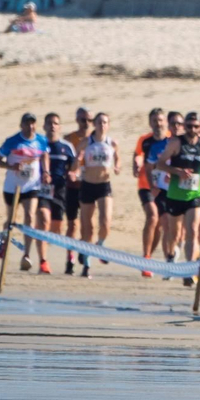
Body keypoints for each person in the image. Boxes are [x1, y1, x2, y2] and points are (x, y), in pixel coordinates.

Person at [155, 113, 200, 284]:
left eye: (195, 126)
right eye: (188, 126)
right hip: (175, 195)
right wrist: (177, 172)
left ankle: (190, 271)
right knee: (175, 235)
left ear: (199, 128)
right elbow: (159, 164)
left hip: (194, 195)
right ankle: (171, 257)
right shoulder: (176, 143)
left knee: (192, 230)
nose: (191, 130)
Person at [0, 112, 49, 272]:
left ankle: (26, 254)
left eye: (33, 123)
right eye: (27, 123)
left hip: (31, 186)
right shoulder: (12, 141)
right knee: (11, 220)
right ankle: (3, 241)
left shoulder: (40, 140)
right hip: (12, 187)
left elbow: (45, 154)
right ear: (21, 125)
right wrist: (11, 167)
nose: (30, 126)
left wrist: (46, 171)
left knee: (30, 216)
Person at [30, 112, 77, 275]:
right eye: (49, 123)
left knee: (55, 228)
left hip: (60, 190)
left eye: (55, 123)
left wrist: (73, 173)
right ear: (44, 126)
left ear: (60, 127)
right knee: (43, 219)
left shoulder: (66, 147)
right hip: (41, 189)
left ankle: (44, 241)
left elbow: (74, 166)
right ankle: (43, 262)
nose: (52, 126)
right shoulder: (37, 144)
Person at [74, 112, 119, 277]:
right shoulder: (86, 142)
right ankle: (86, 265)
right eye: (99, 122)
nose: (102, 125)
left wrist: (117, 167)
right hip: (87, 185)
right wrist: (76, 166)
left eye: (105, 122)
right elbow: (76, 160)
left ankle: (100, 245)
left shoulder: (112, 143)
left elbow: (118, 159)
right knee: (88, 228)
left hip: (104, 185)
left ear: (108, 125)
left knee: (106, 222)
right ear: (95, 124)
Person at [59, 106, 92, 273]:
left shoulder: (96, 139)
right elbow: (64, 163)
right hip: (72, 187)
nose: (86, 123)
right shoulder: (69, 139)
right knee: (72, 224)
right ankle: (69, 258)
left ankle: (85, 255)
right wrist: (71, 172)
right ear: (77, 120)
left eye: (89, 120)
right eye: (82, 120)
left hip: (90, 186)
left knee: (88, 225)